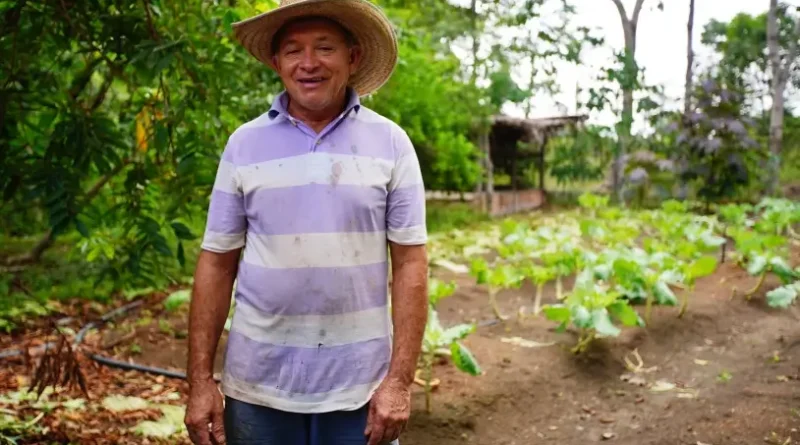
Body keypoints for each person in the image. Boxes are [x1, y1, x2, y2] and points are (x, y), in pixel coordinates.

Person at [183, 1, 429, 444]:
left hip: (362, 389)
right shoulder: (244, 144)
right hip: (257, 387)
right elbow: (217, 264)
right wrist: (199, 382)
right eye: (294, 50)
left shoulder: (391, 143)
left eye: (325, 48)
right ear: (277, 62)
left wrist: (399, 382)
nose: (309, 63)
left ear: (352, 58)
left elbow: (411, 263)